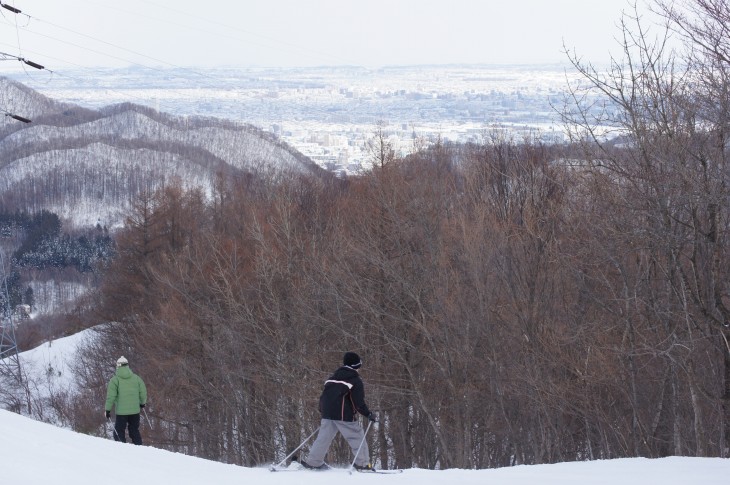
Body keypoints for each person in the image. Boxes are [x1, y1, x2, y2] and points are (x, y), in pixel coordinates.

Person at [301, 351, 377, 471]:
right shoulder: (355, 380)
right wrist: (368, 414)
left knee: (324, 438)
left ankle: (314, 462)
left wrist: (323, 411)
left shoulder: (332, 378)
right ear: (356, 366)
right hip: (343, 414)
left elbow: (324, 397)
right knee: (356, 436)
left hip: (327, 413)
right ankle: (363, 464)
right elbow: (358, 402)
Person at [105, 356, 148, 445]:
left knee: (118, 432)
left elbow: (111, 397)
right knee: (134, 431)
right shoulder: (136, 378)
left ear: (118, 366)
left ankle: (122, 451)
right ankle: (139, 449)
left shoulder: (115, 380)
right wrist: (142, 403)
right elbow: (143, 392)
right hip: (135, 411)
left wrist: (107, 410)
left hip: (121, 412)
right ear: (128, 365)